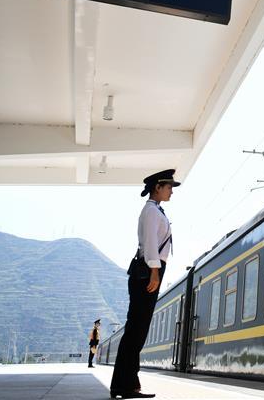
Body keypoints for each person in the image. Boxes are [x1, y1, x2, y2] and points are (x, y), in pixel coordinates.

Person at [109, 169, 179, 400]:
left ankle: (128, 383)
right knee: (136, 331)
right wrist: (155, 273)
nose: (171, 191)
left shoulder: (155, 210)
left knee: (137, 331)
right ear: (157, 187)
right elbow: (150, 244)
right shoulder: (150, 211)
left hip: (149, 270)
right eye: (169, 187)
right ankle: (124, 386)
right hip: (148, 271)